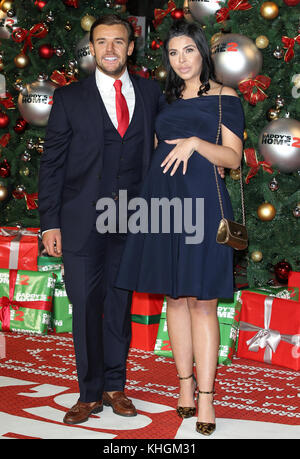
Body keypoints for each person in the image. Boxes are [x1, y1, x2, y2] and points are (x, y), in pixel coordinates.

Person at [116, 20, 244, 436]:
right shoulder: (164, 101)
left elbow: (232, 159)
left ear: (202, 53)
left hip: (206, 205)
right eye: (173, 53)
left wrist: (194, 144)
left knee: (203, 301)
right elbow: (153, 152)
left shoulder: (226, 98)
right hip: (164, 206)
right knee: (175, 296)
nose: (181, 59)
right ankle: (185, 388)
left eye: (188, 50)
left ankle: (206, 397)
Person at [38, 14, 162, 424]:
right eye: (101, 41)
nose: (110, 49)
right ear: (92, 48)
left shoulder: (149, 92)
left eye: (118, 41)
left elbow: (163, 152)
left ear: (131, 47)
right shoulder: (69, 98)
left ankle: (115, 386)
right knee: (87, 304)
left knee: (119, 303)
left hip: (131, 218)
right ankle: (88, 392)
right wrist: (49, 222)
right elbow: (52, 165)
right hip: (79, 221)